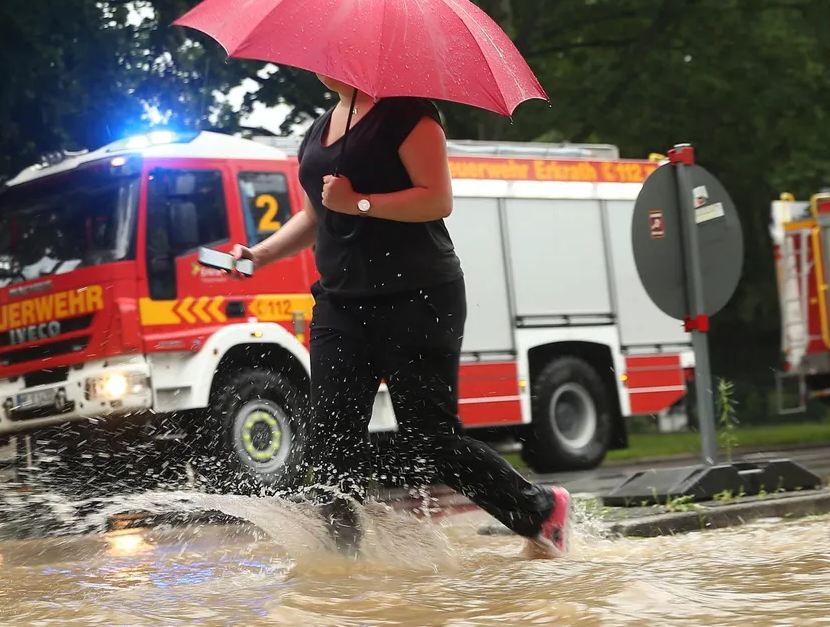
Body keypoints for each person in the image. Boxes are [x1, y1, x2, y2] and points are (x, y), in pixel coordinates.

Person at [229, 74, 572, 559]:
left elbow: (437, 198)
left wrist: (359, 202)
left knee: (430, 439)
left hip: (417, 296)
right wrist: (260, 255)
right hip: (340, 303)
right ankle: (343, 560)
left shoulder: (410, 115)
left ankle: (541, 510)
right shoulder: (319, 129)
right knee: (330, 441)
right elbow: (315, 215)